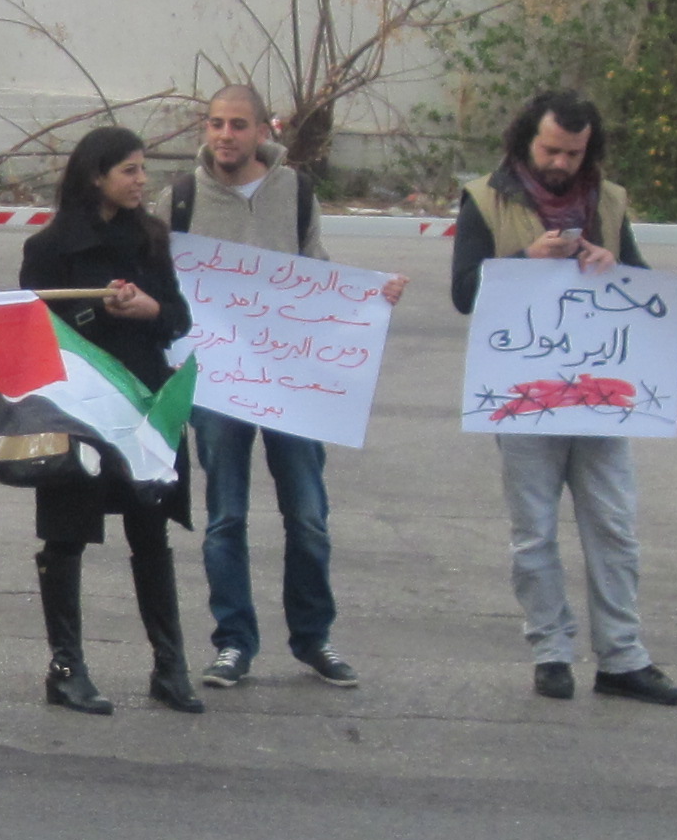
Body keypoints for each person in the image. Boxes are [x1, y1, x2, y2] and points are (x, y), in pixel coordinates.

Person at [451, 93, 677, 705]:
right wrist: (524, 260)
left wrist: (615, 264)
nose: (560, 163)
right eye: (550, 150)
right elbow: (464, 292)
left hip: (599, 395)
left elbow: (643, 286)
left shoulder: (608, 201)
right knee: (534, 532)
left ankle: (622, 657)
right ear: (526, 140)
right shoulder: (485, 199)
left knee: (614, 528)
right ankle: (550, 652)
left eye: (573, 154)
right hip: (524, 397)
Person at [168, 82, 398, 688]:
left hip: (292, 379)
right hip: (217, 384)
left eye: (237, 124)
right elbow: (161, 280)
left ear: (262, 131)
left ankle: (314, 639)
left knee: (309, 514)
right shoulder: (181, 198)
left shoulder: (295, 192)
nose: (225, 135)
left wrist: (370, 296)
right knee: (226, 517)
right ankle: (233, 643)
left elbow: (316, 270)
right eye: (216, 123)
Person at [21, 127, 205, 716]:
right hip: (77, 408)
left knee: (150, 530)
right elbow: (34, 331)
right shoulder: (49, 247)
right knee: (66, 533)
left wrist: (148, 308)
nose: (141, 180)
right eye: (129, 170)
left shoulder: (149, 238)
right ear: (96, 176)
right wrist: (92, 311)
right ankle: (66, 669)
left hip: (144, 402)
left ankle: (170, 667)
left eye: (143, 169)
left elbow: (178, 317)